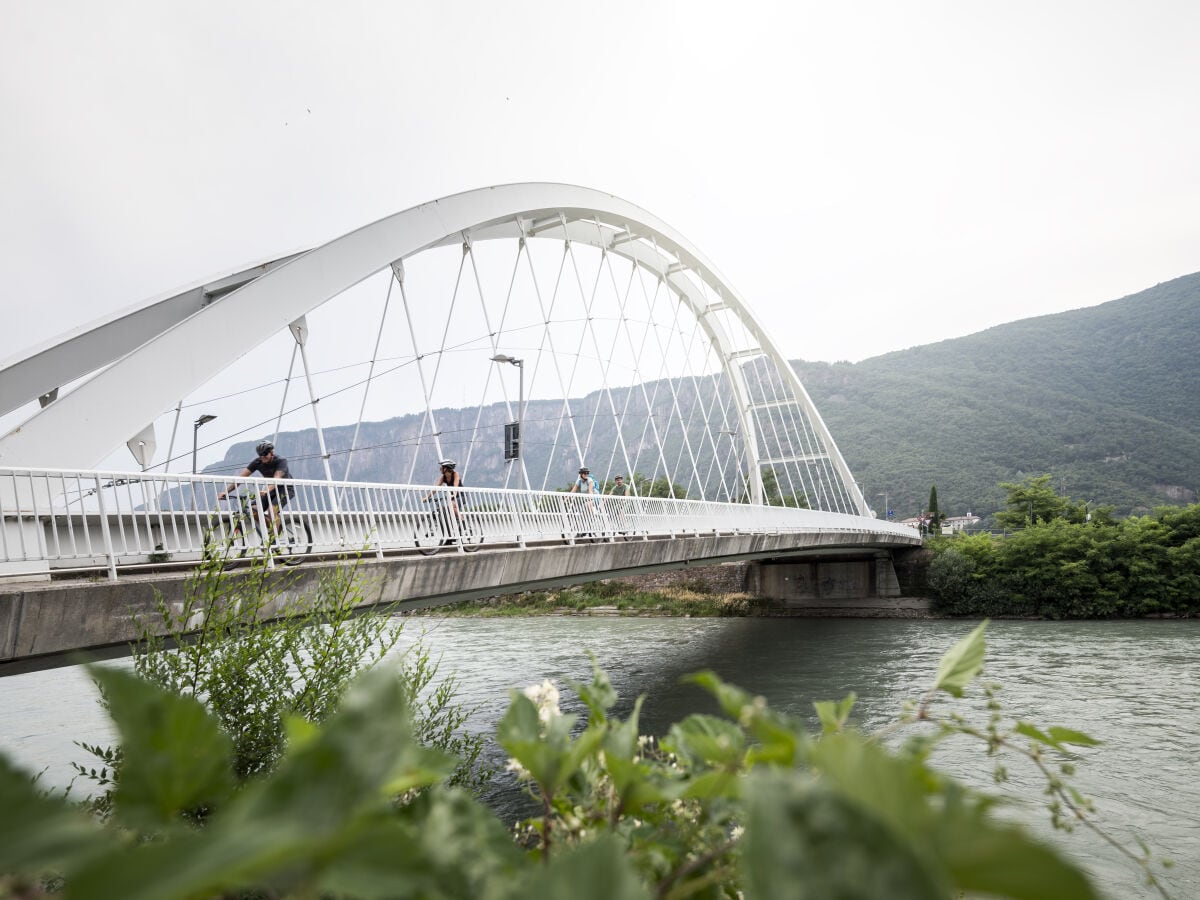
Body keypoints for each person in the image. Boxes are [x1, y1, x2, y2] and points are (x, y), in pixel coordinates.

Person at [217, 440, 294, 534]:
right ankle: (273, 530)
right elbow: (240, 478)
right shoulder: (257, 462)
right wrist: (226, 492)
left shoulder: (281, 461)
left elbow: (276, 479)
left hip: (285, 489)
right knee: (253, 509)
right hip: (270, 489)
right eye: (260, 454)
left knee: (272, 509)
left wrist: (267, 490)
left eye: (265, 454)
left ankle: (275, 540)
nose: (262, 457)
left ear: (271, 452)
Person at [423, 458, 465, 535]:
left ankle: (462, 520)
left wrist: (454, 494)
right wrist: (427, 497)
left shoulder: (455, 474)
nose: (440, 469)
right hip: (452, 497)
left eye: (442, 467)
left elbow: (455, 486)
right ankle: (450, 533)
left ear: (446, 468)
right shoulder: (443, 477)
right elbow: (435, 488)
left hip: (460, 496)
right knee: (444, 511)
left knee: (451, 505)